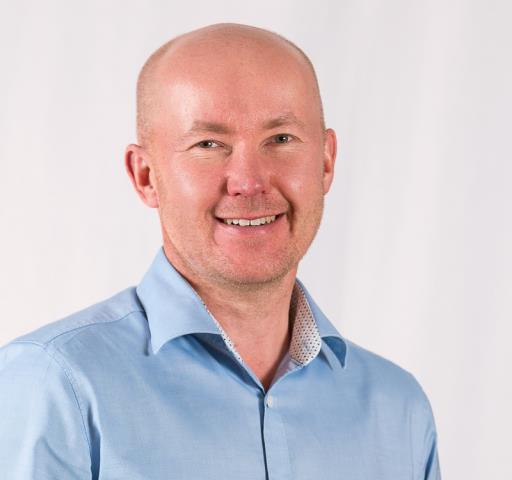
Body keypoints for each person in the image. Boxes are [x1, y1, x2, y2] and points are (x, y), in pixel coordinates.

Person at [0, 23, 441, 479]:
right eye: (208, 144)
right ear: (145, 176)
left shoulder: (399, 412)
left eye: (281, 139)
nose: (250, 181)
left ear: (326, 162)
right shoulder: (56, 386)